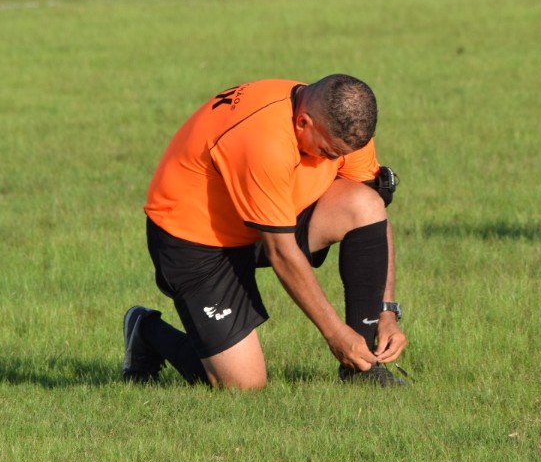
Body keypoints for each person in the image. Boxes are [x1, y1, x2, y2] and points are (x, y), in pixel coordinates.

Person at [122, 74, 407, 390]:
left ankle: (363, 367)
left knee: (365, 204)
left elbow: (376, 217)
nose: (336, 160)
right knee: (243, 384)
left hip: (264, 218)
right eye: (328, 153)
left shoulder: (344, 127)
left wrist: (386, 312)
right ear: (303, 123)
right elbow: (282, 253)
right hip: (194, 238)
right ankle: (145, 330)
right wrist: (336, 335)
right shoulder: (265, 141)